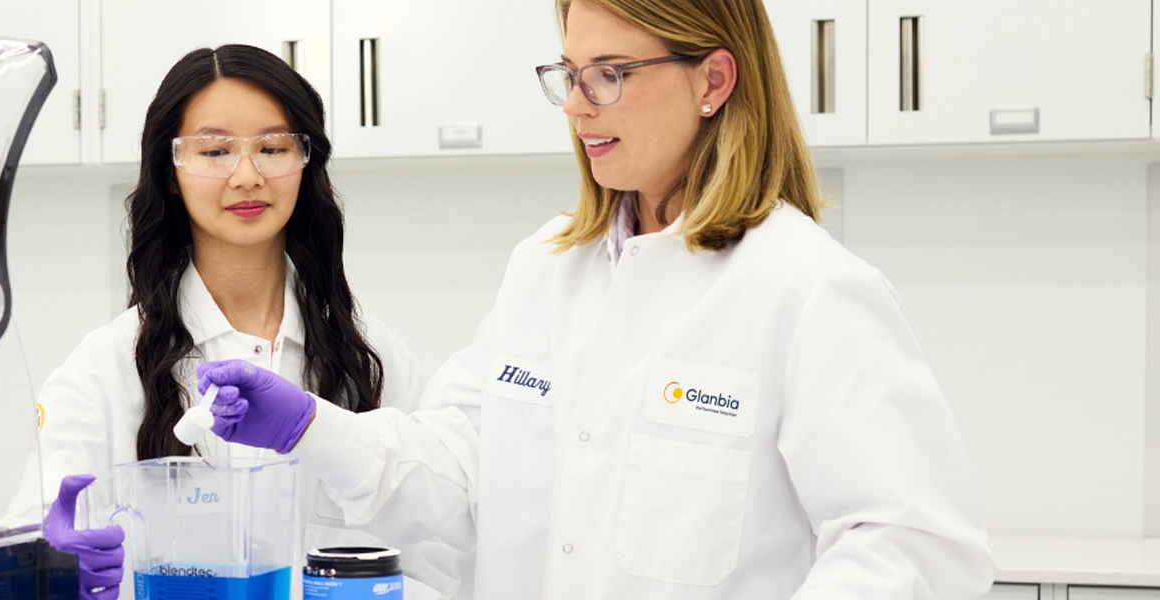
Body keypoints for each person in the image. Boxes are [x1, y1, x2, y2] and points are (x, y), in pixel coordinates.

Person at [192, 0, 996, 598]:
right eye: (570, 76)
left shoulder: (805, 288)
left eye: (610, 75)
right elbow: (462, 475)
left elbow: (916, 547)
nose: (577, 106)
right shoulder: (544, 268)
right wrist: (311, 426)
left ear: (714, 79)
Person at [34, 44, 465, 600]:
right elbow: (45, 537)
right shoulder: (102, 372)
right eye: (214, 151)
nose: (246, 175)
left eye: (271, 147)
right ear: (171, 172)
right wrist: (53, 573)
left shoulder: (372, 359)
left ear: (305, 162)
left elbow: (440, 560)